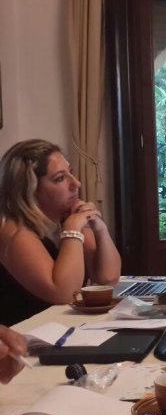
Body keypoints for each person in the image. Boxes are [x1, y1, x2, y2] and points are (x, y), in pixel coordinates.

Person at [0, 139, 121, 325]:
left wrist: (99, 228)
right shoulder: (13, 230)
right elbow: (64, 293)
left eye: (70, 173)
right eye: (60, 178)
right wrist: (72, 230)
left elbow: (108, 277)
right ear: (30, 190)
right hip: (24, 335)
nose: (76, 183)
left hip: (59, 329)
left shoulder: (67, 218)